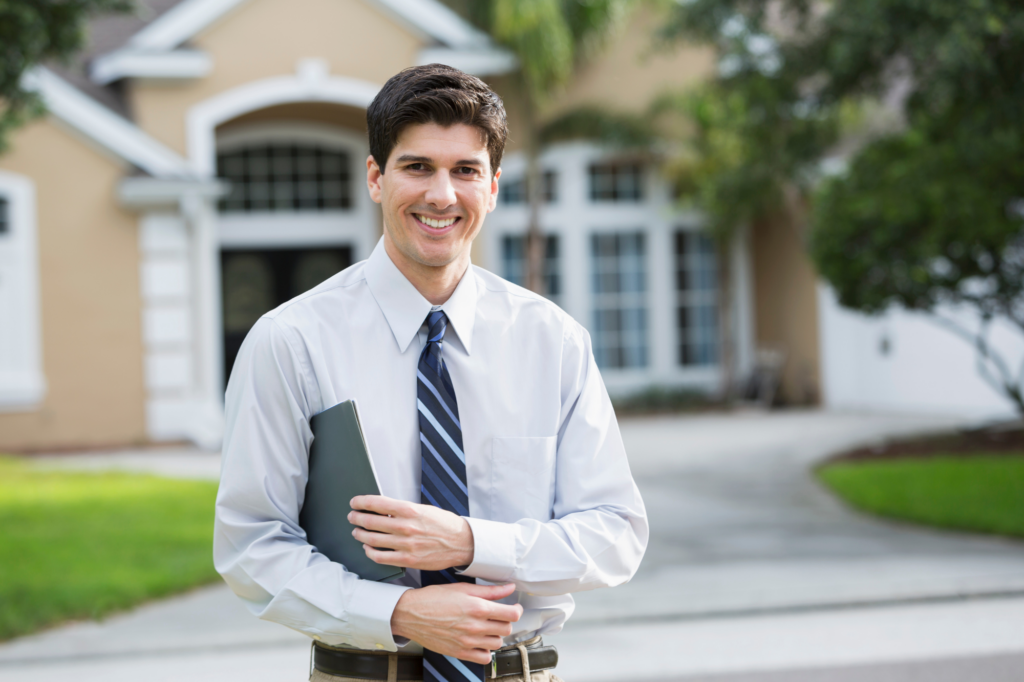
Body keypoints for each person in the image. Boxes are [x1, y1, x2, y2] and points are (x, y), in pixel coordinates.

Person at [213, 64, 648, 682]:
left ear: (493, 187)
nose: (442, 194)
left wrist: (472, 544)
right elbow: (251, 546)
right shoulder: (292, 342)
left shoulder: (552, 342)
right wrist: (401, 612)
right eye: (417, 167)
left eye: (465, 171)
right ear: (375, 177)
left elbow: (615, 535)